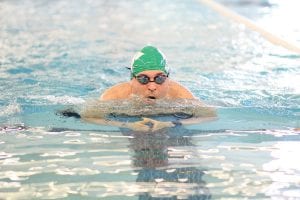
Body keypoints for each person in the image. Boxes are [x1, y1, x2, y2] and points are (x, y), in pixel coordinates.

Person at [82, 45, 216, 131]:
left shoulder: (179, 95)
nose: (152, 86)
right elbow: (88, 116)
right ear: (132, 80)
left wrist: (170, 124)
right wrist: (127, 125)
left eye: (159, 78)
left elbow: (210, 116)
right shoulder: (116, 95)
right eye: (143, 79)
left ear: (168, 79)